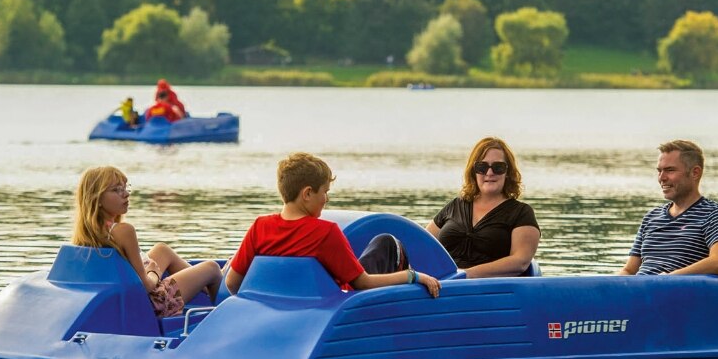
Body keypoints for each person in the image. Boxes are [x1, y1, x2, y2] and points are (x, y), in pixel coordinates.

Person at [225, 152, 440, 298]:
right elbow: (362, 284)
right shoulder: (324, 233)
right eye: (324, 192)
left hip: (282, 308)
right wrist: (414, 277)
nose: (326, 199)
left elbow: (232, 284)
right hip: (342, 305)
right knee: (388, 244)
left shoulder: (259, 228)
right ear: (307, 193)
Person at [71, 166, 222, 317]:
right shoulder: (124, 231)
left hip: (128, 299)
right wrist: (153, 272)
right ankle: (223, 299)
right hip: (153, 303)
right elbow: (146, 286)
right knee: (212, 267)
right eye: (117, 190)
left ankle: (210, 285)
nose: (126, 194)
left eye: (125, 187)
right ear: (97, 200)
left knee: (162, 250)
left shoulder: (89, 234)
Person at [426, 137, 541, 278]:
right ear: (473, 172)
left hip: (487, 292)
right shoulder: (455, 205)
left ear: (508, 173)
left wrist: (462, 275)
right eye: (482, 167)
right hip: (441, 288)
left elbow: (520, 262)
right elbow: (422, 245)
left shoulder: (521, 213)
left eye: (498, 167)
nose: (489, 173)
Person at [616, 140, 718, 276]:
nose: (661, 178)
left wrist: (670, 279)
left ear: (695, 173)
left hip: (675, 293)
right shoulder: (651, 217)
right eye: (659, 171)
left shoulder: (715, 214)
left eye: (670, 170)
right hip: (640, 292)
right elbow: (629, 270)